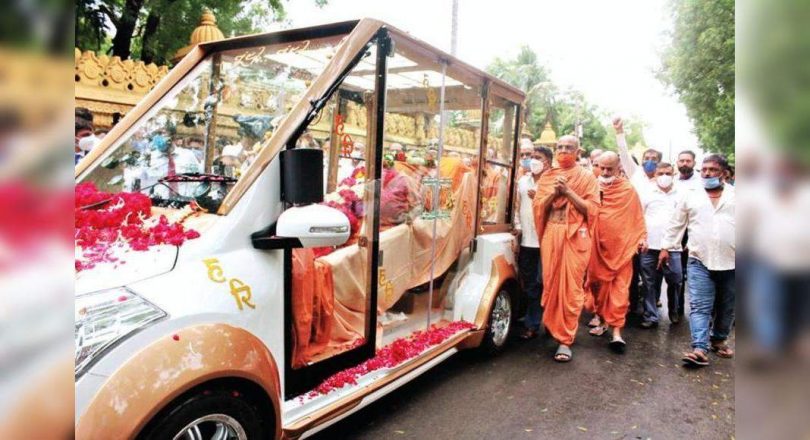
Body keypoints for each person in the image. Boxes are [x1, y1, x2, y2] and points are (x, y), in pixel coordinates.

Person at [659, 154, 735, 367]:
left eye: (713, 170)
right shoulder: (690, 195)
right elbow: (676, 223)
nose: (708, 173)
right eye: (705, 169)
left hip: (734, 262)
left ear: (724, 173)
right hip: (699, 259)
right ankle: (699, 347)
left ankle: (719, 339)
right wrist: (666, 247)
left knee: (727, 305)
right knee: (700, 305)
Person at [532, 135, 599, 362]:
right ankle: (554, 325)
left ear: (577, 151)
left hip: (575, 237)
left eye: (568, 147)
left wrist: (569, 191)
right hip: (552, 232)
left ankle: (565, 340)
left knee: (571, 288)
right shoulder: (547, 176)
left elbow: (592, 210)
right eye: (559, 147)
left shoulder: (587, 177)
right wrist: (555, 192)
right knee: (550, 282)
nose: (563, 150)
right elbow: (540, 206)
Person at [585, 152, 646, 353]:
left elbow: (637, 217)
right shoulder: (591, 187)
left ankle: (617, 333)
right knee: (597, 289)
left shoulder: (628, 190)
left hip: (621, 250)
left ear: (619, 167)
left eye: (609, 168)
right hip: (596, 249)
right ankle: (602, 319)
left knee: (620, 293)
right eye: (601, 167)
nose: (604, 172)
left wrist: (641, 237)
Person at [513, 145, 553, 340]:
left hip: (547, 242)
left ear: (548, 163)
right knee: (530, 283)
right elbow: (517, 207)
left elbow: (558, 210)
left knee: (544, 282)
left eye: (537, 157)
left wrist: (540, 198)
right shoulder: (522, 181)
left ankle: (546, 321)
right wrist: (517, 227)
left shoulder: (553, 182)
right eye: (531, 156)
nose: (533, 160)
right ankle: (532, 321)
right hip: (527, 240)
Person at [638, 162, 683, 328]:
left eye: (668, 173)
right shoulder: (646, 192)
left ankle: (674, 310)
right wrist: (641, 238)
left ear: (674, 174)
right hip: (649, 246)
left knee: (675, 280)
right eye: (661, 173)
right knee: (648, 282)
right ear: (655, 175)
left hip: (673, 247)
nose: (664, 176)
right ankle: (651, 316)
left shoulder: (681, 194)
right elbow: (639, 217)